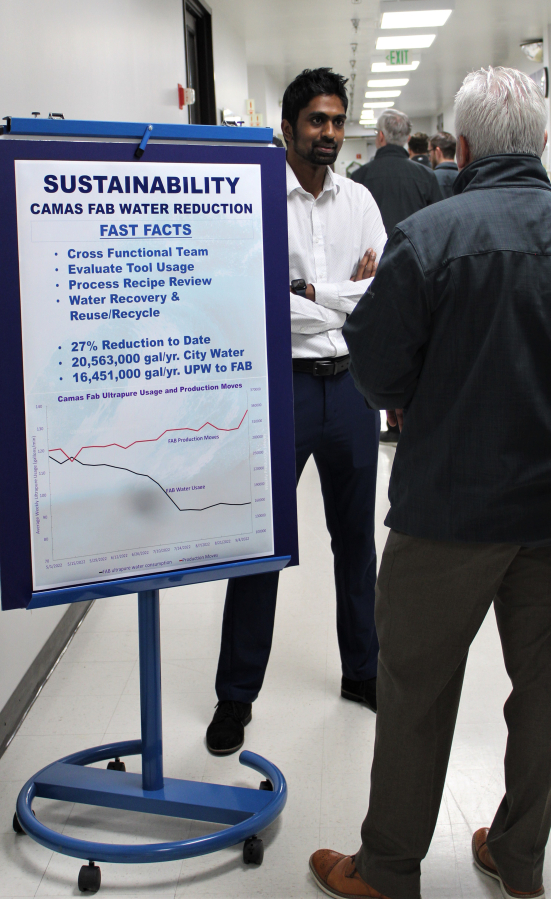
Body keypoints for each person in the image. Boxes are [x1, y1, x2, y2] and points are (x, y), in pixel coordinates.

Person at [309, 66, 551, 899]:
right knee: (547, 694)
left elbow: (374, 367)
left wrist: (415, 393)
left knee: (414, 692)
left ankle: (389, 870)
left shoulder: (434, 236)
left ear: (466, 146)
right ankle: (520, 858)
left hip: (448, 507)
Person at [205, 68, 387, 755]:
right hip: (277, 387)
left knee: (355, 542)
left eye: (338, 121)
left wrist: (310, 291)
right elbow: (254, 298)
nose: (329, 135)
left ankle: (362, 671)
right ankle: (235, 696)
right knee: (260, 545)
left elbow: (380, 292)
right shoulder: (251, 201)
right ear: (287, 127)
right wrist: (340, 294)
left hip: (349, 391)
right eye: (316, 121)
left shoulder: (362, 203)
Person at [351, 109, 441, 447]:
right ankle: (410, 415)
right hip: (422, 278)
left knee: (382, 348)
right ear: (406, 138)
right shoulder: (425, 178)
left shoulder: (358, 179)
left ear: (380, 137)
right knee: (419, 346)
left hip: (370, 281)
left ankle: (389, 412)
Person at [429, 130, 459, 197]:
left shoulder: (430, 179)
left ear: (437, 151)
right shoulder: (466, 177)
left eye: (430, 151)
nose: (429, 157)